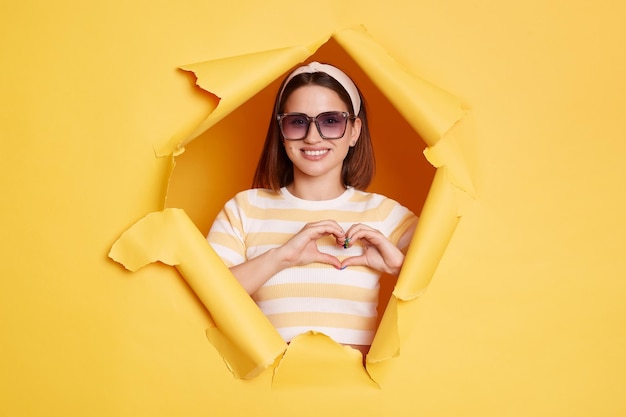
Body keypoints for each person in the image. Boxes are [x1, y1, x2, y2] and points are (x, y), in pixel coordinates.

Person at [207, 62, 417, 356]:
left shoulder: (385, 214)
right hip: (263, 392)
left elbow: (455, 291)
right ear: (281, 131)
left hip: (359, 394)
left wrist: (400, 268)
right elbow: (204, 297)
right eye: (297, 122)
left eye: (331, 121)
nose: (313, 137)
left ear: (354, 131)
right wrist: (281, 257)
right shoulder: (244, 209)